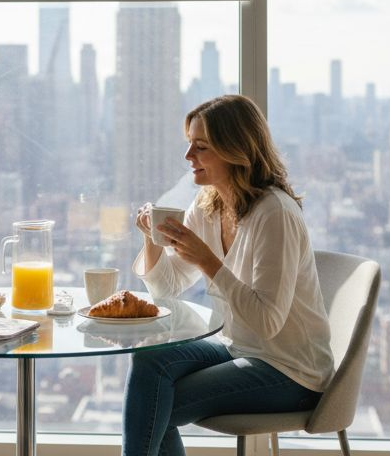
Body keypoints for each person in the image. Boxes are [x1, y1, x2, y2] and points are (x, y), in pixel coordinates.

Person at [122, 94, 332, 456]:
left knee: (156, 403)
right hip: (236, 348)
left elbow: (267, 322)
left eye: (201, 147)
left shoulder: (275, 214)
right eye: (189, 144)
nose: (188, 156)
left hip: (291, 370)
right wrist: (151, 238)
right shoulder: (209, 206)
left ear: (236, 150)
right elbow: (168, 287)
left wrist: (209, 262)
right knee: (150, 360)